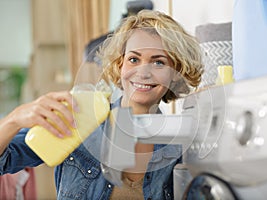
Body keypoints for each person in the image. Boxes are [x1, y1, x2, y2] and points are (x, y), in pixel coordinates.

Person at [0, 10, 203, 199]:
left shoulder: (178, 143)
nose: (143, 72)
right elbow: (4, 161)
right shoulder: (78, 120)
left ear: (176, 74)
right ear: (120, 65)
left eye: (158, 62)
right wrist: (13, 119)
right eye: (133, 59)